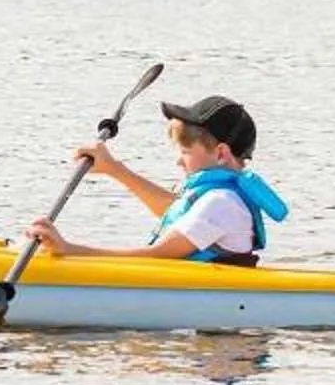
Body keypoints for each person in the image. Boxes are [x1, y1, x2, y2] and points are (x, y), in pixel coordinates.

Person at [29, 93, 288, 265]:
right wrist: (113, 169)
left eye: (185, 152)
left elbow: (157, 256)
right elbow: (174, 210)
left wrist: (69, 250)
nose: (179, 161)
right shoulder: (220, 199)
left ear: (220, 153)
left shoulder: (222, 203)